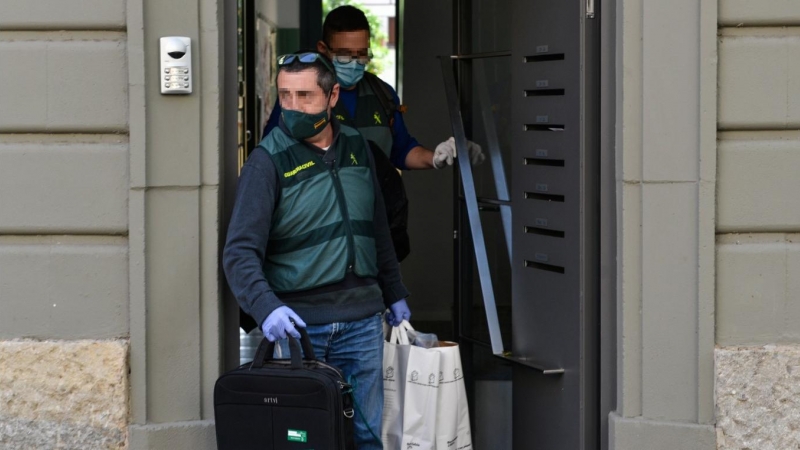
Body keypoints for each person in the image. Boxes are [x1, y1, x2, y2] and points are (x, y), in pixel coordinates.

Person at [223, 51, 409, 450]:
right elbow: (239, 252)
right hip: (298, 326)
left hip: (361, 322)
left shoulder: (358, 147)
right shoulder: (267, 161)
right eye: (285, 95)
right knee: (302, 439)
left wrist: (394, 293)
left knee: (366, 435)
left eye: (305, 95)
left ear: (332, 95)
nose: (292, 107)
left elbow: (377, 229)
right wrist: (266, 308)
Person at [263, 6, 484, 171]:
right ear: (323, 49)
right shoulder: (300, 96)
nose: (354, 62)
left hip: (377, 218)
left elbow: (402, 150)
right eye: (345, 54)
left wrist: (435, 156)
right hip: (320, 220)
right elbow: (272, 157)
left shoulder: (382, 95)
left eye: (361, 54)